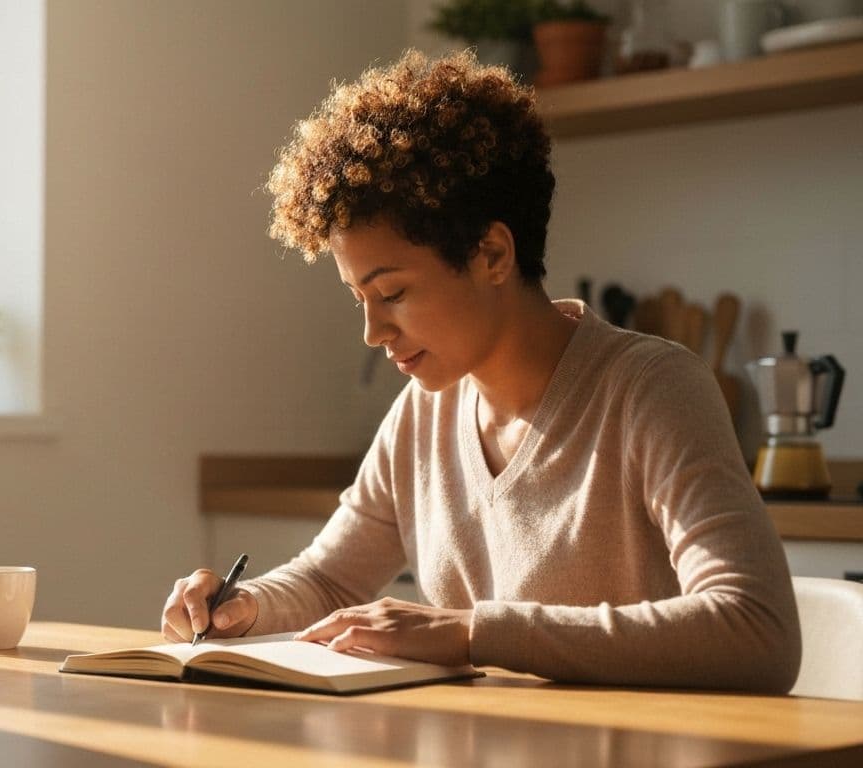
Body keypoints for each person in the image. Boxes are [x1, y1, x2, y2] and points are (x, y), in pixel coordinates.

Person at [161, 50, 801, 692]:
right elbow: (329, 579)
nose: (373, 333)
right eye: (361, 300)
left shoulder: (651, 391)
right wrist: (245, 607)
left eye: (394, 293)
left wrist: (472, 632)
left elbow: (756, 629)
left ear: (492, 254)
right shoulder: (424, 412)